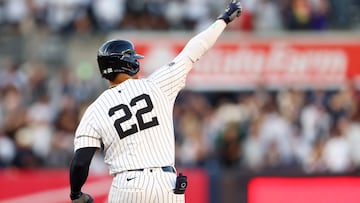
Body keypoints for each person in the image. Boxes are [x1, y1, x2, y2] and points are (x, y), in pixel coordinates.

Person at [69, 1, 242, 202]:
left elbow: (80, 162)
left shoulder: (95, 109)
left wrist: (76, 193)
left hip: (126, 185)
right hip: (165, 183)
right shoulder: (156, 84)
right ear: (130, 63)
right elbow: (195, 49)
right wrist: (222, 20)